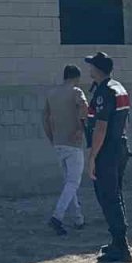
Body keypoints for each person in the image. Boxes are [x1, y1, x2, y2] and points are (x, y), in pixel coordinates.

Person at [84, 51, 132, 263]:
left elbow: (101, 127)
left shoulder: (105, 91)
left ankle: (120, 246)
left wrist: (93, 156)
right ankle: (118, 242)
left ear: (97, 69)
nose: (89, 69)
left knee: (108, 197)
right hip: (119, 146)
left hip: (107, 151)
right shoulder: (118, 87)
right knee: (115, 195)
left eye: (91, 66)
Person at [44, 64, 89, 236]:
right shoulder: (76, 91)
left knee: (69, 183)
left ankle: (78, 218)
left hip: (58, 143)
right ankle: (57, 216)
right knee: (73, 182)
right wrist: (80, 128)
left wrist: (51, 137)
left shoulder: (52, 93)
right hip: (73, 144)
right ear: (76, 78)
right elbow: (84, 107)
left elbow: (45, 118)